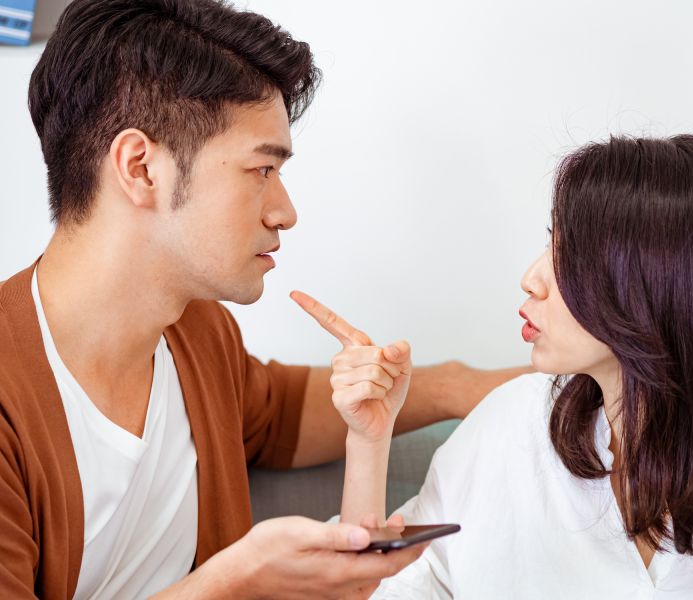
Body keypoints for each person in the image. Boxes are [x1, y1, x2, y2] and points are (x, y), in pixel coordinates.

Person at [0, 1, 530, 598]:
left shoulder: (199, 335)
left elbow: (278, 414)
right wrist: (235, 582)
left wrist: (468, 388)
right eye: (260, 170)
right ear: (141, 168)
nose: (285, 211)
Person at [308, 134, 693, 598]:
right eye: (550, 243)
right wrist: (369, 442)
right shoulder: (512, 427)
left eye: (568, 255)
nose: (531, 278)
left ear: (659, 283)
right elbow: (378, 590)